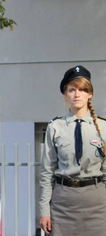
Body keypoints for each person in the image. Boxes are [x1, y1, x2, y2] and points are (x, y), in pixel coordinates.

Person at [39, 65, 106, 235]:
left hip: (97, 205)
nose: (77, 94)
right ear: (65, 94)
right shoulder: (55, 127)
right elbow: (47, 173)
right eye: (72, 90)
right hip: (63, 205)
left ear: (90, 93)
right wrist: (44, 211)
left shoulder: (103, 127)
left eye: (82, 89)